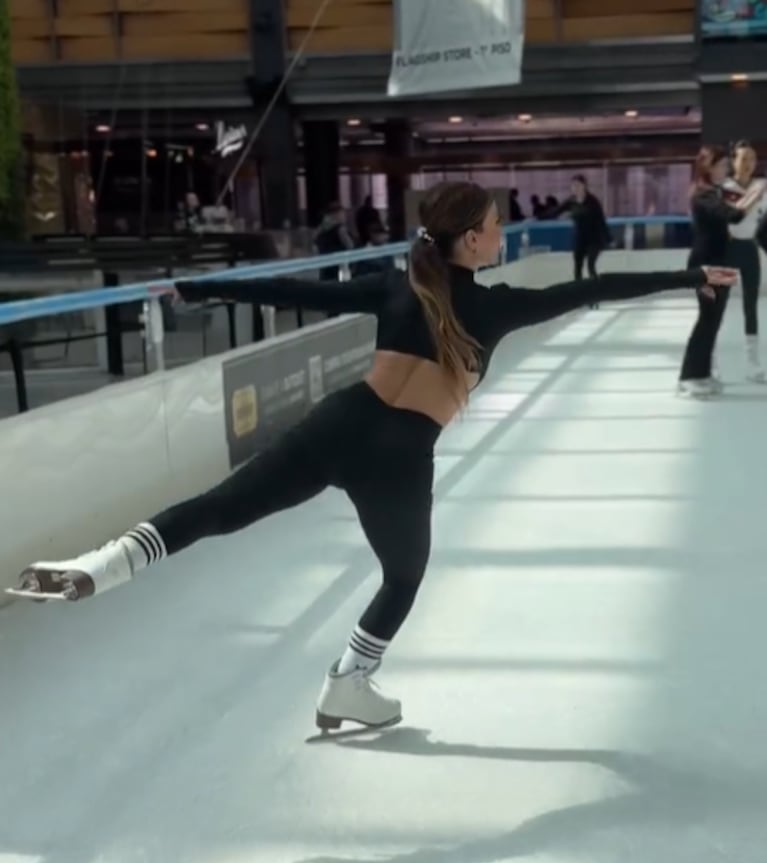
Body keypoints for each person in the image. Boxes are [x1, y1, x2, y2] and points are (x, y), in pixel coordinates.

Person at [6, 182, 737, 733]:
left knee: (220, 510)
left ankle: (100, 565)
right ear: (470, 243)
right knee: (402, 575)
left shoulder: (396, 285)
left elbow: (292, 288)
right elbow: (595, 288)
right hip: (399, 456)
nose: (500, 233)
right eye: (491, 227)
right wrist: (687, 278)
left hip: (339, 423)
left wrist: (192, 285)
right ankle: (349, 682)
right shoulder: (498, 306)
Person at [678, 145, 765, 398]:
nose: (725, 170)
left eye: (727, 166)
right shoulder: (703, 195)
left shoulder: (716, 191)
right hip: (705, 265)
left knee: (714, 321)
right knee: (706, 320)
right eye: (721, 166)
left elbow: (740, 212)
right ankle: (689, 376)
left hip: (721, 263)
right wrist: (756, 194)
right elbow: (735, 217)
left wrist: (754, 195)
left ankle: (703, 374)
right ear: (708, 167)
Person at [722, 140, 767, 382]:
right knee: (717, 303)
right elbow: (735, 214)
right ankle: (710, 360)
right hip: (727, 250)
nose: (748, 163)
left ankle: (752, 361)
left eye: (752, 158)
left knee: (751, 306)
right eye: (743, 158)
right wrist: (755, 196)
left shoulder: (762, 186)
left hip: (749, 250)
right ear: (733, 161)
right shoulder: (725, 187)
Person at [553, 175, 611, 283]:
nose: (575, 188)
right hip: (579, 239)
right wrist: (537, 217)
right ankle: (577, 293)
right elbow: (556, 211)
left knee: (590, 265)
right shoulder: (571, 201)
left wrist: (608, 239)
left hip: (594, 239)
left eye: (578, 185)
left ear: (584, 186)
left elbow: (601, 220)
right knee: (577, 267)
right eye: (573, 186)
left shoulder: (593, 201)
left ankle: (595, 290)